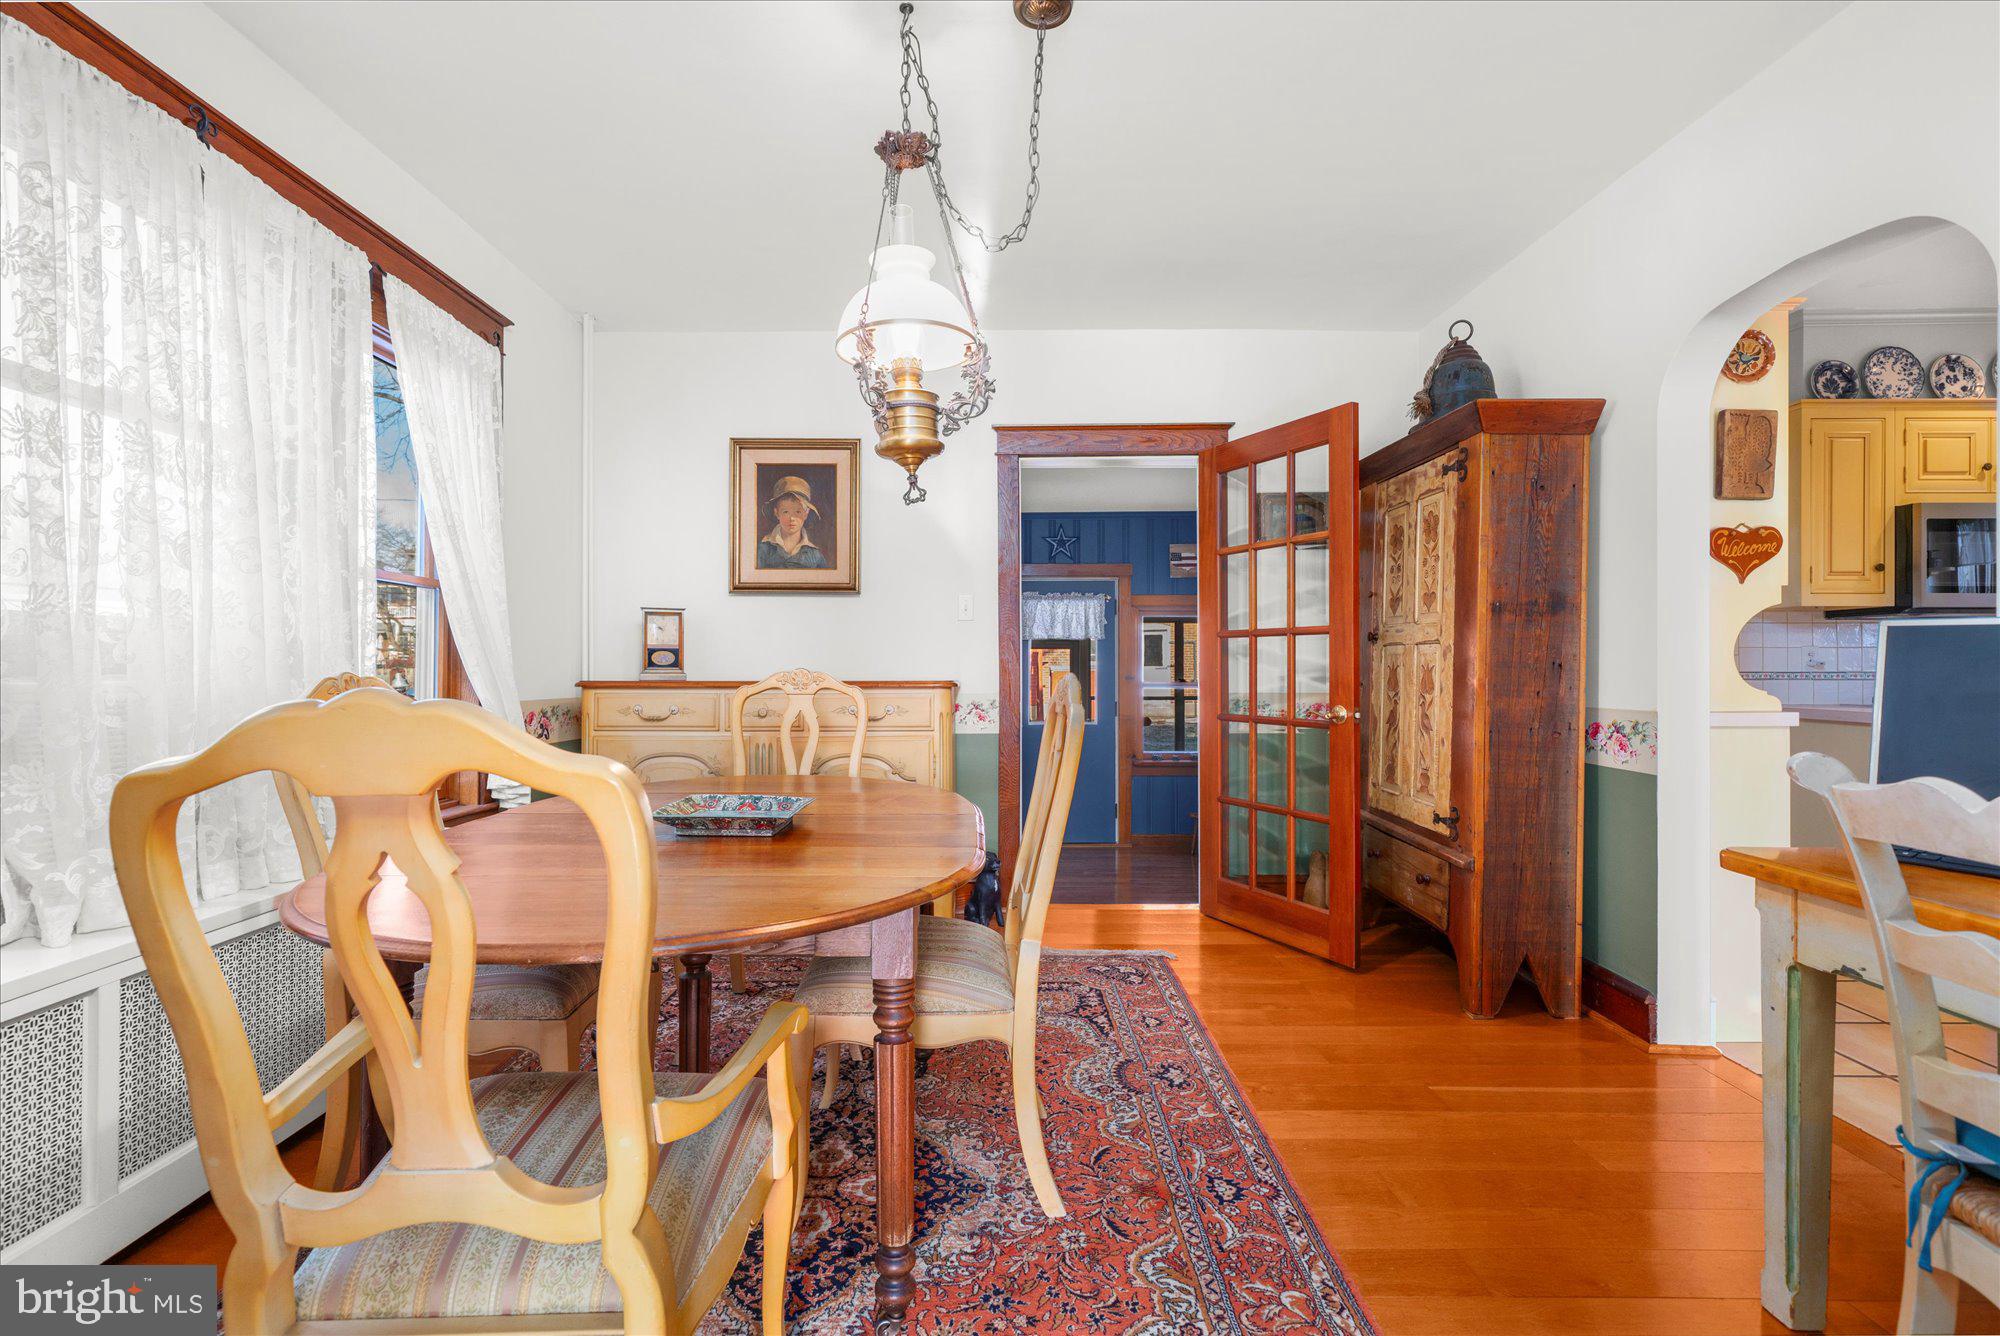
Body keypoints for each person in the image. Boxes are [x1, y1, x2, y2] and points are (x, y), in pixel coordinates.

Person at [756, 474, 830, 570]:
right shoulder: (762, 550)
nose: (792, 518)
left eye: (798, 512)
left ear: (806, 514)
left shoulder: (815, 555)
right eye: (785, 512)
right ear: (776, 513)